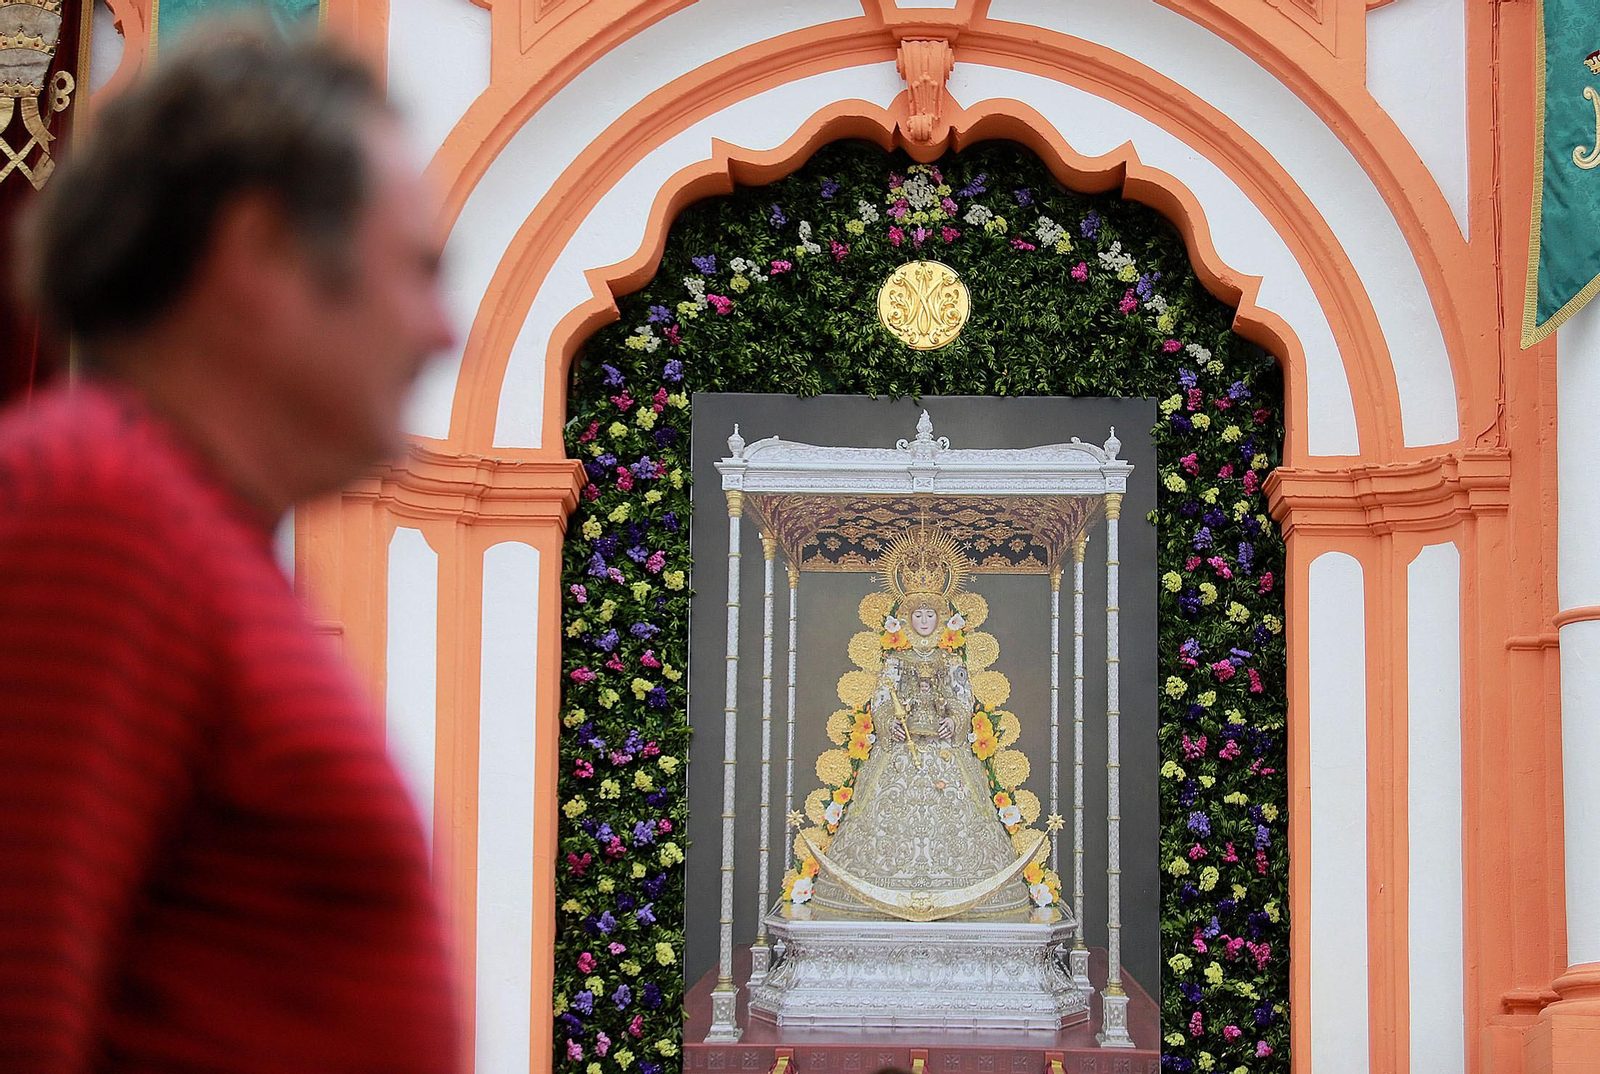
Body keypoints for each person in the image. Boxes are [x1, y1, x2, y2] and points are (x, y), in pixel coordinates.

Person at [0, 24, 458, 1073]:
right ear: (261, 252)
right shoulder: (96, 511)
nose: (443, 330)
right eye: (418, 270)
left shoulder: (176, 531)